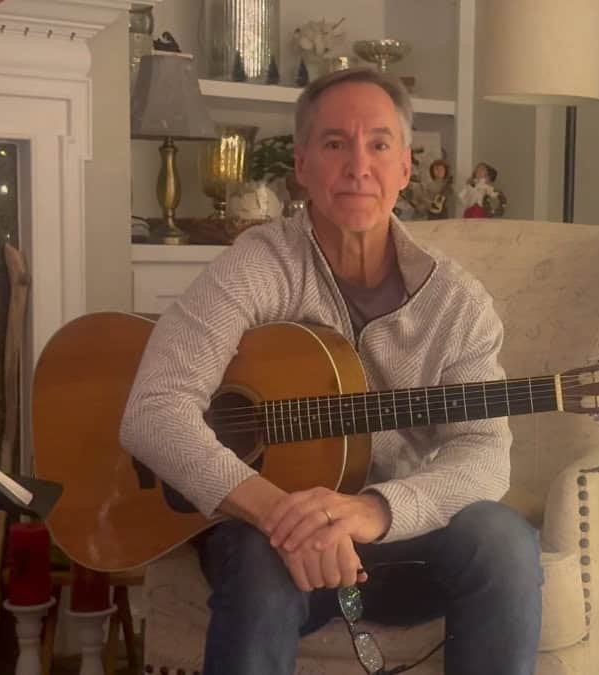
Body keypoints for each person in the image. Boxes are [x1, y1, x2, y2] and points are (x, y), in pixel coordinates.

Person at [119, 66, 542, 675]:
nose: (358, 166)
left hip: (402, 543)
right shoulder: (257, 266)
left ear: (406, 168)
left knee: (502, 541)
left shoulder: (457, 302)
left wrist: (374, 510)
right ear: (302, 164)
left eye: (379, 145)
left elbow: (485, 453)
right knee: (255, 555)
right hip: (273, 543)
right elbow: (155, 409)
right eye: (335, 143)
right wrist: (284, 515)